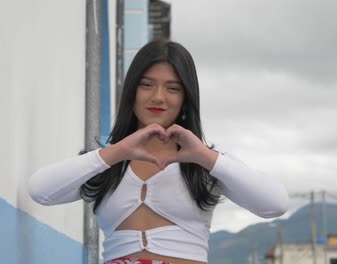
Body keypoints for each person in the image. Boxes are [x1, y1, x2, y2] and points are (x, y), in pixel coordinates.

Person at [28, 40, 288, 264]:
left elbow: (275, 204)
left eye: (172, 88)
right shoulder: (107, 161)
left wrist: (204, 157)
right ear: (131, 91)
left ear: (186, 98)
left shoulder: (205, 162)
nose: (158, 97)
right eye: (147, 85)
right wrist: (117, 151)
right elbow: (41, 190)